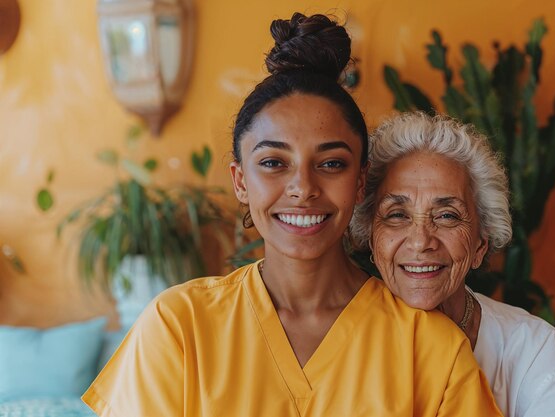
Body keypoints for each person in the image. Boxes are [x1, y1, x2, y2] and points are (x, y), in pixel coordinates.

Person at [82, 14, 502, 416]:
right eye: (273, 163)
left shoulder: (429, 349)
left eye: (332, 163)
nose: (303, 188)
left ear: (361, 181)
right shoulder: (179, 326)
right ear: (240, 180)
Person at [350, 111, 555, 417]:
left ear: (481, 244)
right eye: (397, 215)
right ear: (371, 239)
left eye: (447, 215)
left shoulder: (536, 353)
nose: (421, 241)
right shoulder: (338, 341)